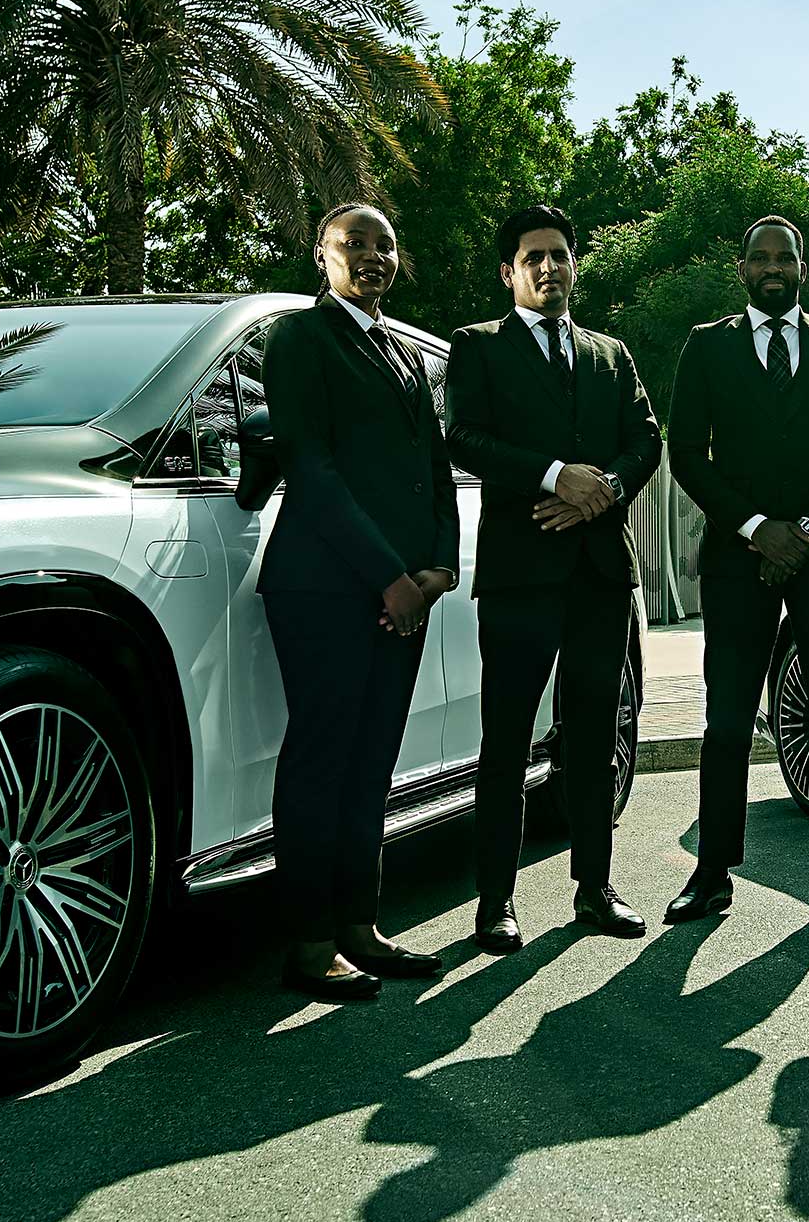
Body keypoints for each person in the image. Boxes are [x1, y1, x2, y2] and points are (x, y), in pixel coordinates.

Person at [445, 203, 661, 953]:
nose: (549, 267)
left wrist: (600, 485)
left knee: (597, 736)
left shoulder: (611, 353)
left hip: (600, 571)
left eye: (560, 255)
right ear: (510, 272)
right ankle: (495, 901)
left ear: (574, 265)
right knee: (506, 742)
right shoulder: (477, 348)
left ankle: (595, 887)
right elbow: (464, 436)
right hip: (518, 575)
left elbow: (646, 437)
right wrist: (551, 477)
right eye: (533, 256)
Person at [258, 202, 461, 998]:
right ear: (322, 254)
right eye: (356, 243)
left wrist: (437, 566)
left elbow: (433, 471)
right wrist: (390, 575)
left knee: (372, 759)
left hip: (402, 591)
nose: (373, 256)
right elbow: (313, 469)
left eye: (385, 244)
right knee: (321, 760)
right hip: (323, 585)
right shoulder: (301, 339)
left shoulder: (405, 353)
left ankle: (360, 926)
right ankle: (310, 942)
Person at [665, 214, 809, 923]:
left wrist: (808, 529)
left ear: (801, 267)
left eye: (783, 257)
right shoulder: (706, 348)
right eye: (759, 256)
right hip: (738, 558)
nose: (772, 267)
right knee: (727, 721)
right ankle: (711, 872)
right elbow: (688, 456)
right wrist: (761, 529)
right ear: (741, 268)